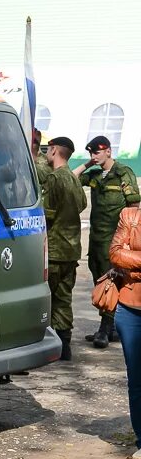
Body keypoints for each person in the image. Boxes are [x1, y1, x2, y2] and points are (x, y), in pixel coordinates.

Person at [74, 135, 141, 348]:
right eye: (91, 152)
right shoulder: (95, 176)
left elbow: (134, 207)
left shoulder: (123, 174)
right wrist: (86, 164)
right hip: (96, 240)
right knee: (99, 281)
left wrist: (128, 242)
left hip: (114, 240)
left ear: (109, 151)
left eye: (98, 152)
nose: (94, 155)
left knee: (110, 282)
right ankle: (110, 327)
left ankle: (105, 328)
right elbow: (71, 178)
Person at [41, 136, 87, 361]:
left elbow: (45, 214)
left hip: (54, 250)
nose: (47, 153)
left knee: (46, 298)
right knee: (64, 298)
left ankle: (46, 345)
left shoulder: (54, 178)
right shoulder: (72, 177)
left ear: (55, 150)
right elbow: (82, 205)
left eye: (49, 149)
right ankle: (65, 345)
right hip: (71, 250)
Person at [108, 204, 141, 459]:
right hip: (130, 308)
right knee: (137, 381)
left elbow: (126, 255)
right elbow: (115, 254)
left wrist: (134, 256)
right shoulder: (129, 216)